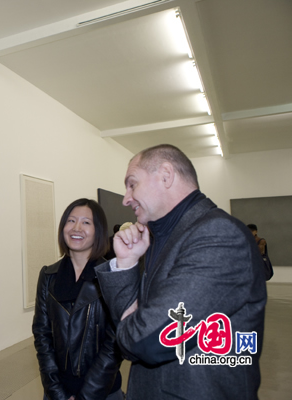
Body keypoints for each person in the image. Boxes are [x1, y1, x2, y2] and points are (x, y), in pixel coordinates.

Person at [95, 144, 266, 399]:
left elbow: (147, 340)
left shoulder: (218, 234)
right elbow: (138, 325)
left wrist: (134, 329)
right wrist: (128, 262)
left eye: (132, 184)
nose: (125, 198)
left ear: (166, 175)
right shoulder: (160, 239)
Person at [33, 198, 123, 400]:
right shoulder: (48, 276)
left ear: (98, 230)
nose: (76, 228)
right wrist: (57, 392)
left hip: (102, 392)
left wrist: (87, 396)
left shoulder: (111, 276)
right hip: (58, 392)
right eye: (71, 221)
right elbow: (42, 336)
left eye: (86, 222)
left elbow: (114, 345)